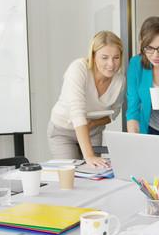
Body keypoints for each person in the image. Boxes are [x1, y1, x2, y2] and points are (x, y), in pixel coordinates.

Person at [48, 31, 125, 167]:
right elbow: (77, 113)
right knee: (71, 174)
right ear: (94, 56)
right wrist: (89, 156)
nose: (111, 64)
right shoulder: (79, 69)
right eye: (104, 58)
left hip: (94, 132)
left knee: (94, 174)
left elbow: (113, 114)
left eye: (116, 57)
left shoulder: (120, 81)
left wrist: (93, 124)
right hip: (63, 131)